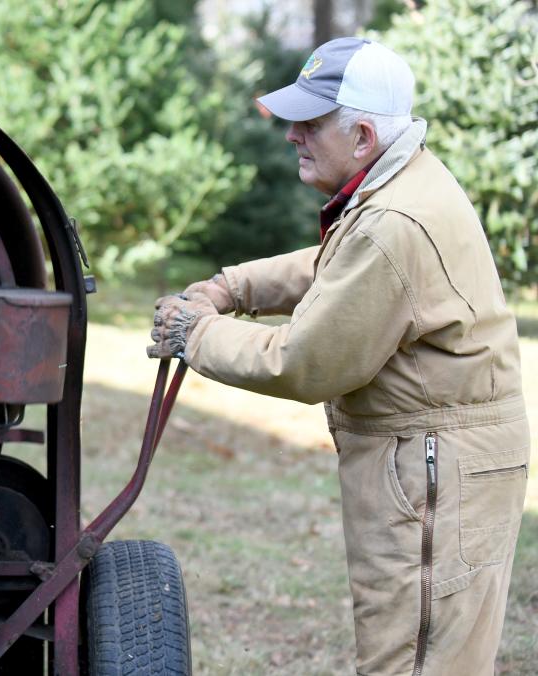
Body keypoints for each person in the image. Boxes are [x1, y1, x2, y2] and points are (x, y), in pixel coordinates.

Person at [148, 37, 529, 675]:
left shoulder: (393, 223)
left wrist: (194, 332)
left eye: (312, 122)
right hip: (438, 462)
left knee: (412, 662)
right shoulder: (397, 185)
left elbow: (304, 361)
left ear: (360, 135)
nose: (294, 134)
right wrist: (232, 287)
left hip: (437, 469)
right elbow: (334, 265)